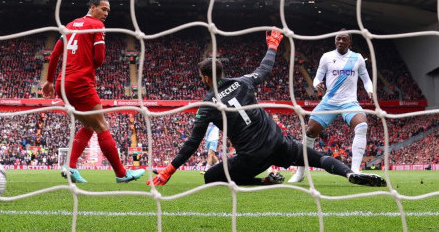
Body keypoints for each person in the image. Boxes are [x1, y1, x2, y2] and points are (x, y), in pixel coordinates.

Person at [148, 29, 386, 188]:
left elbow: (192, 142)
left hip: (253, 157)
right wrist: (272, 45)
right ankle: (349, 173)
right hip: (278, 143)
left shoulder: (207, 105)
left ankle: (264, 181)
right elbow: (265, 68)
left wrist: (169, 170)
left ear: (205, 78)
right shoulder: (243, 81)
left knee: (211, 177)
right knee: (317, 157)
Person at [42, 0, 144, 184]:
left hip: (61, 83)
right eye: (103, 9)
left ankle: (70, 166)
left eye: (108, 11)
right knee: (102, 125)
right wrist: (88, 62)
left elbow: (55, 54)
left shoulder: (70, 25)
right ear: (93, 7)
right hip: (80, 81)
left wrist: (48, 81)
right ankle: (122, 174)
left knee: (89, 125)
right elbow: (99, 59)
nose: (106, 14)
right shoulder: (97, 25)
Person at [288, 29, 373, 183]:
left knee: (362, 126)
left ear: (349, 42)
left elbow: (366, 79)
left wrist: (370, 90)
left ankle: (355, 170)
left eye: (344, 39)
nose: (340, 41)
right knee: (309, 132)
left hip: (349, 101)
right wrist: (317, 84)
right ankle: (300, 172)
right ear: (335, 41)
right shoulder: (327, 57)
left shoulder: (357, 58)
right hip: (329, 102)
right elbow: (317, 78)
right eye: (338, 39)